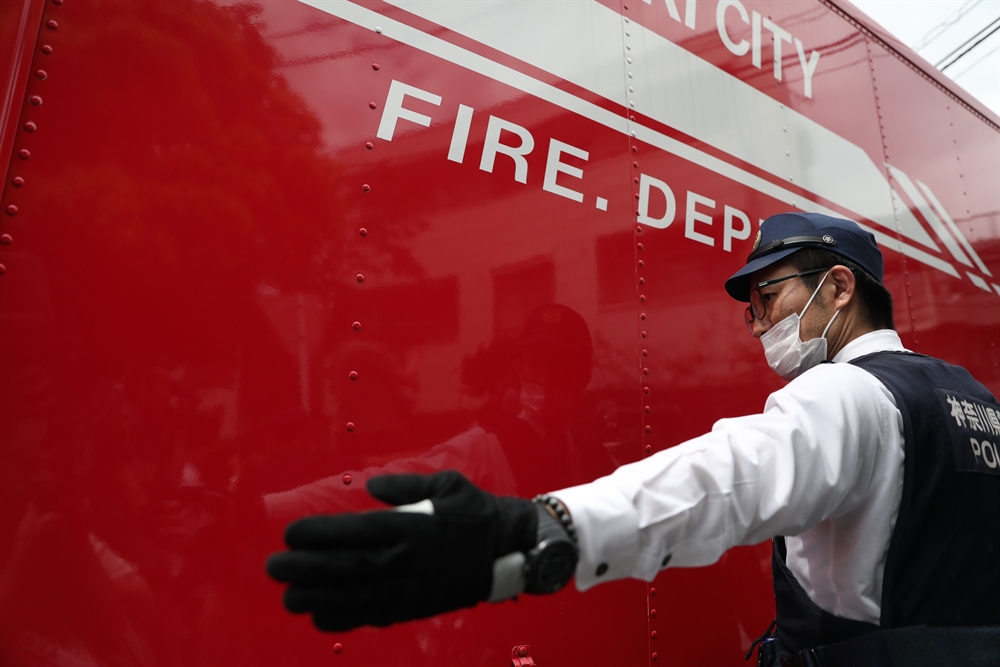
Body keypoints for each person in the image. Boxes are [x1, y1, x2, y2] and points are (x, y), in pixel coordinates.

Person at [267, 212, 1000, 665]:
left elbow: (720, 484)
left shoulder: (848, 395)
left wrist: (535, 531)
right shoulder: (974, 397)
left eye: (769, 297)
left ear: (840, 288)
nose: (757, 325)